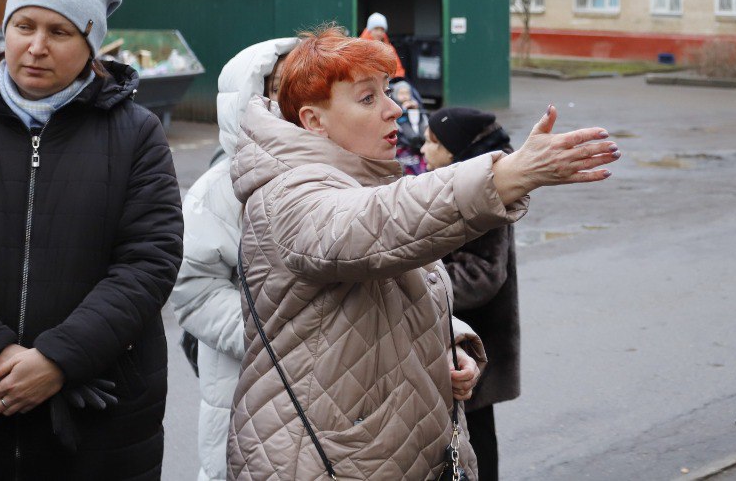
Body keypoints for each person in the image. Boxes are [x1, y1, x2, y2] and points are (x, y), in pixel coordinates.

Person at [228, 27, 619, 479]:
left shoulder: (366, 178)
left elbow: (376, 294)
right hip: (318, 461)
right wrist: (505, 175)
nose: (395, 109)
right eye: (368, 99)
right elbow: (371, 227)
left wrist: (448, 345)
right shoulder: (286, 195)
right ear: (315, 121)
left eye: (387, 92)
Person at [0, 0, 183, 479]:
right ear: (5, 30)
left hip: (100, 418)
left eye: (60, 30)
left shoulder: (137, 134)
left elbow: (149, 262)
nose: (36, 45)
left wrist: (56, 361)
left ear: (91, 45)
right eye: (23, 26)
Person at [169, 37, 296, 481]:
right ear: (249, 97)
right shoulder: (219, 191)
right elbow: (194, 292)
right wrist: (281, 337)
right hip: (247, 390)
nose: (296, 95)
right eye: (281, 86)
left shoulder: (350, 174)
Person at [423, 108, 520, 481]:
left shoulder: (478, 195)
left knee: (474, 440)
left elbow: (483, 274)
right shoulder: (453, 182)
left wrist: (421, 282)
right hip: (457, 336)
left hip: (473, 338)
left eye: (434, 142)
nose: (424, 148)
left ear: (455, 151)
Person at [391, 81, 428, 176]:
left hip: (418, 148)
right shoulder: (393, 109)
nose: (405, 96)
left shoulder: (417, 108)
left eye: (407, 93)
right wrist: (403, 110)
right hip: (403, 149)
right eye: (401, 93)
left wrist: (415, 111)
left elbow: (424, 127)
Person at [360, 11, 406, 79]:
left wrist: (397, 78)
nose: (379, 33)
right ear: (370, 30)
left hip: (388, 80)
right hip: (368, 81)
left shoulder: (389, 48)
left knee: (404, 88)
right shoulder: (360, 46)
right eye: (376, 29)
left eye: (382, 30)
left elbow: (397, 69)